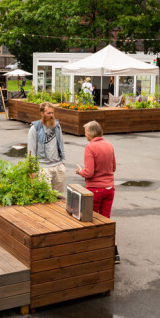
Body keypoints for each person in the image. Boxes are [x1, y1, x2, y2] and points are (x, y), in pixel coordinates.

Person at [74, 121, 119, 264]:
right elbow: (114, 168)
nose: (85, 134)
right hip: (109, 188)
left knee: (91, 219)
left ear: (91, 133)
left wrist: (80, 171)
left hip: (95, 189)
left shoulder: (90, 147)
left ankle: (94, 252)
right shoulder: (109, 145)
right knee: (106, 219)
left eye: (86, 131)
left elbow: (89, 172)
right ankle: (114, 252)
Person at [27, 102, 66, 195]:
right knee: (46, 198)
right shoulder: (35, 129)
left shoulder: (57, 126)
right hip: (43, 168)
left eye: (52, 113)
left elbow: (61, 143)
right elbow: (31, 150)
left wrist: (63, 162)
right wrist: (32, 169)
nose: (51, 115)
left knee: (59, 197)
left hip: (58, 166)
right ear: (42, 113)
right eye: (49, 113)